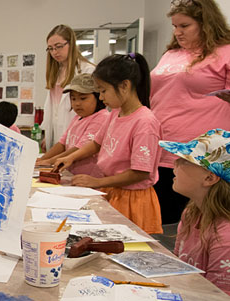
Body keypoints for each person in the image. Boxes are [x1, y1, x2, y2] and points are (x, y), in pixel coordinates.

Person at [54, 53, 163, 235]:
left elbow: (140, 172)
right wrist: (70, 158)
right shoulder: (115, 113)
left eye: (103, 91)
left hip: (132, 199)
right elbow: (97, 143)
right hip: (112, 190)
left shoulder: (145, 122)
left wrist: (98, 181)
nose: (101, 98)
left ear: (125, 86)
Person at [150, 0, 230, 225]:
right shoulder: (171, 54)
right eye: (174, 26)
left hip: (200, 157)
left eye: (184, 26)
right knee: (160, 224)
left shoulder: (224, 52)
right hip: (160, 150)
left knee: (190, 224)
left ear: (206, 23)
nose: (177, 32)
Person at [159, 129, 230, 295]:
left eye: (185, 160)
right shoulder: (191, 213)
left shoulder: (225, 237)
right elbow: (179, 268)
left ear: (209, 178)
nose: (175, 164)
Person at [36, 73, 108, 177]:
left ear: (98, 97)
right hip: (72, 174)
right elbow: (62, 143)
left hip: (89, 177)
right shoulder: (77, 118)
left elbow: (80, 148)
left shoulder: (101, 117)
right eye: (73, 99)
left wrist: (51, 161)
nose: (77, 103)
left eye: (83, 98)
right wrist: (43, 160)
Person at [42, 24, 95, 149]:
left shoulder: (87, 70)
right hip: (55, 133)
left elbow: (92, 111)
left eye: (59, 46)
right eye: (50, 48)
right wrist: (47, 135)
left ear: (71, 44)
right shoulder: (56, 71)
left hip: (77, 134)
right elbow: (53, 107)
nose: (55, 52)